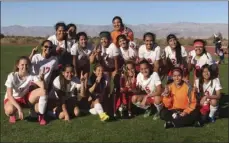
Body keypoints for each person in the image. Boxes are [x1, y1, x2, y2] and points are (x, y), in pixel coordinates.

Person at [4, 56, 47, 125]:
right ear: (18, 65)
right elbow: (9, 95)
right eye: (22, 65)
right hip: (12, 99)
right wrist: (19, 109)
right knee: (9, 110)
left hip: (25, 98)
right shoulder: (12, 76)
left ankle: (41, 115)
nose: (24, 66)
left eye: (26, 65)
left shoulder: (31, 76)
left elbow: (43, 87)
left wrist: (42, 79)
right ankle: (13, 114)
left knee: (43, 91)